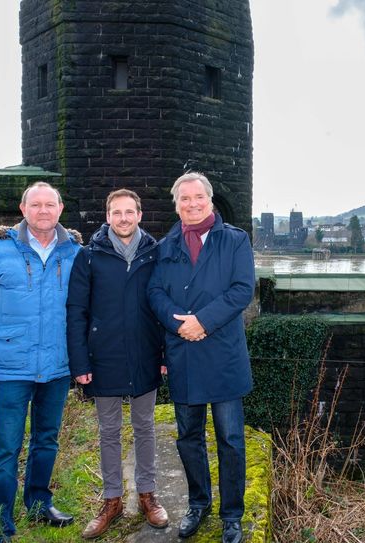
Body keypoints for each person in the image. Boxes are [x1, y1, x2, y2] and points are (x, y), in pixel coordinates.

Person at [0, 182, 82, 543]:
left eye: (50, 205)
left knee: (46, 440)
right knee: (5, 447)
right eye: (36, 204)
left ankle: (39, 504)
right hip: (9, 366)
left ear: (60, 209)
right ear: (23, 208)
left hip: (57, 366)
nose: (43, 211)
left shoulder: (76, 253)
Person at [148, 172, 254, 543]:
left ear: (210, 201)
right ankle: (198, 504)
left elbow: (242, 290)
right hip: (184, 354)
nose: (192, 204)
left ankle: (232, 515)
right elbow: (155, 292)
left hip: (222, 352)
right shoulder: (165, 246)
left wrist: (202, 321)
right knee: (188, 436)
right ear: (176, 205)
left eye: (199, 198)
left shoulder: (236, 241)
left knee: (230, 438)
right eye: (184, 199)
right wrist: (180, 326)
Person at [66, 188, 168, 538]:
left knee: (145, 428)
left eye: (129, 212)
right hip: (103, 356)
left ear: (140, 215)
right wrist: (79, 360)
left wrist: (166, 354)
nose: (123, 218)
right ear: (107, 217)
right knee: (108, 432)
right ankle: (112, 501)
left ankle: (147, 496)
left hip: (145, 354)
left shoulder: (156, 253)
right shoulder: (89, 256)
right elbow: (76, 311)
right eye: (116, 212)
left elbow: (166, 307)